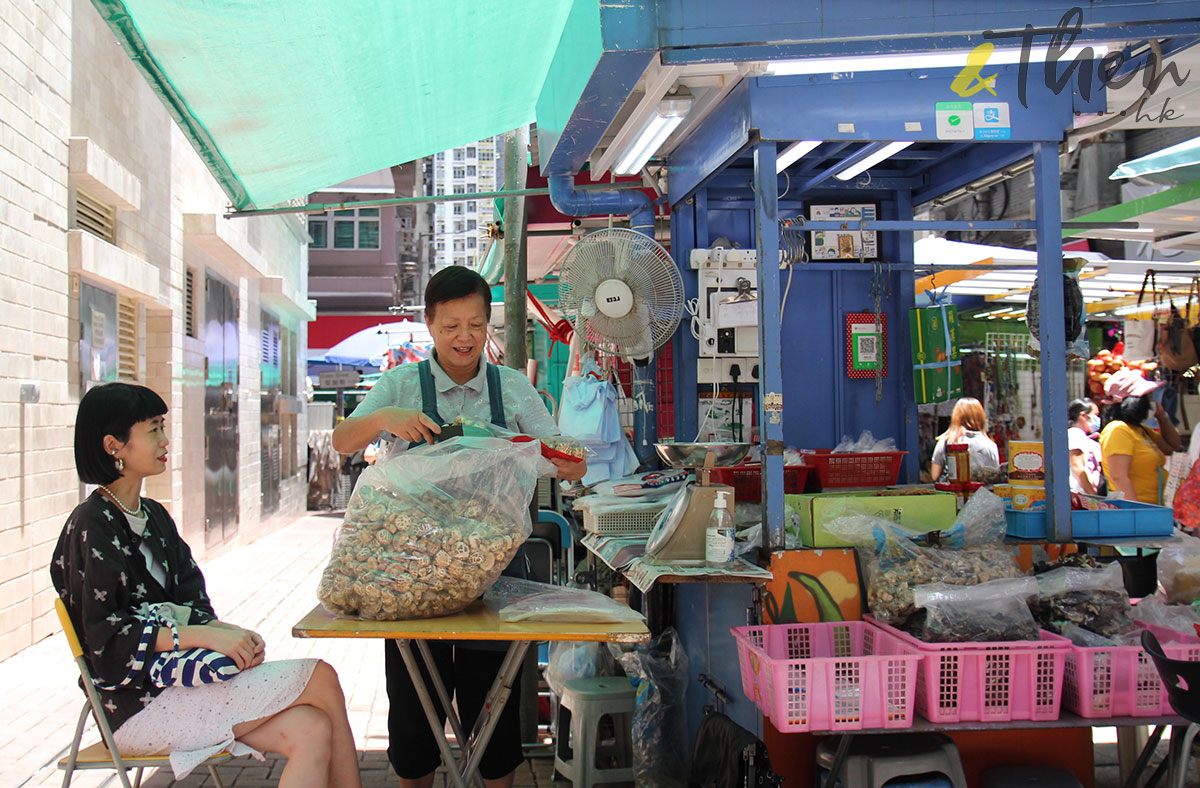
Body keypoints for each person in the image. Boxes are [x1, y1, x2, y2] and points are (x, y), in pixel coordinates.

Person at [332, 266, 586, 788]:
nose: (464, 337)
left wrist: (569, 461)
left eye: (474, 324)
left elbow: (561, 453)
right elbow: (341, 440)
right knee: (413, 725)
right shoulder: (402, 383)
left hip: (495, 575)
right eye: (450, 326)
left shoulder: (512, 388)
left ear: (488, 324)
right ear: (429, 324)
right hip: (406, 576)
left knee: (493, 728)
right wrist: (385, 420)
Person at [52, 383, 362, 787]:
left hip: (182, 688)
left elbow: (194, 602)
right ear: (114, 445)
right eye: (152, 430)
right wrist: (203, 635)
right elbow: (106, 640)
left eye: (163, 426)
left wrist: (228, 634)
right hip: (135, 705)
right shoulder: (91, 525)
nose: (165, 440)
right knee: (320, 677)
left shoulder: (155, 516)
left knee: (311, 728)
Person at [1100, 369, 1182, 504]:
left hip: (1155, 510)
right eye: (1148, 398)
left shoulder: (1142, 431)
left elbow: (1173, 446)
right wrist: (1137, 513)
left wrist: (1162, 416)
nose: (1153, 403)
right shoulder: (1118, 430)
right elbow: (1118, 477)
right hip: (1140, 515)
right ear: (1135, 402)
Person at [929, 397, 1000, 482]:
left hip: (952, 493)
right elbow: (995, 476)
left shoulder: (946, 442)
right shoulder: (990, 445)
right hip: (981, 493)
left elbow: (934, 475)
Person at [1067, 398, 1103, 495]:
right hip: (1080, 496)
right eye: (1095, 415)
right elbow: (1078, 467)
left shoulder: (1085, 438)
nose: (1098, 419)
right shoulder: (1074, 434)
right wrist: (1092, 495)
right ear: (1083, 416)